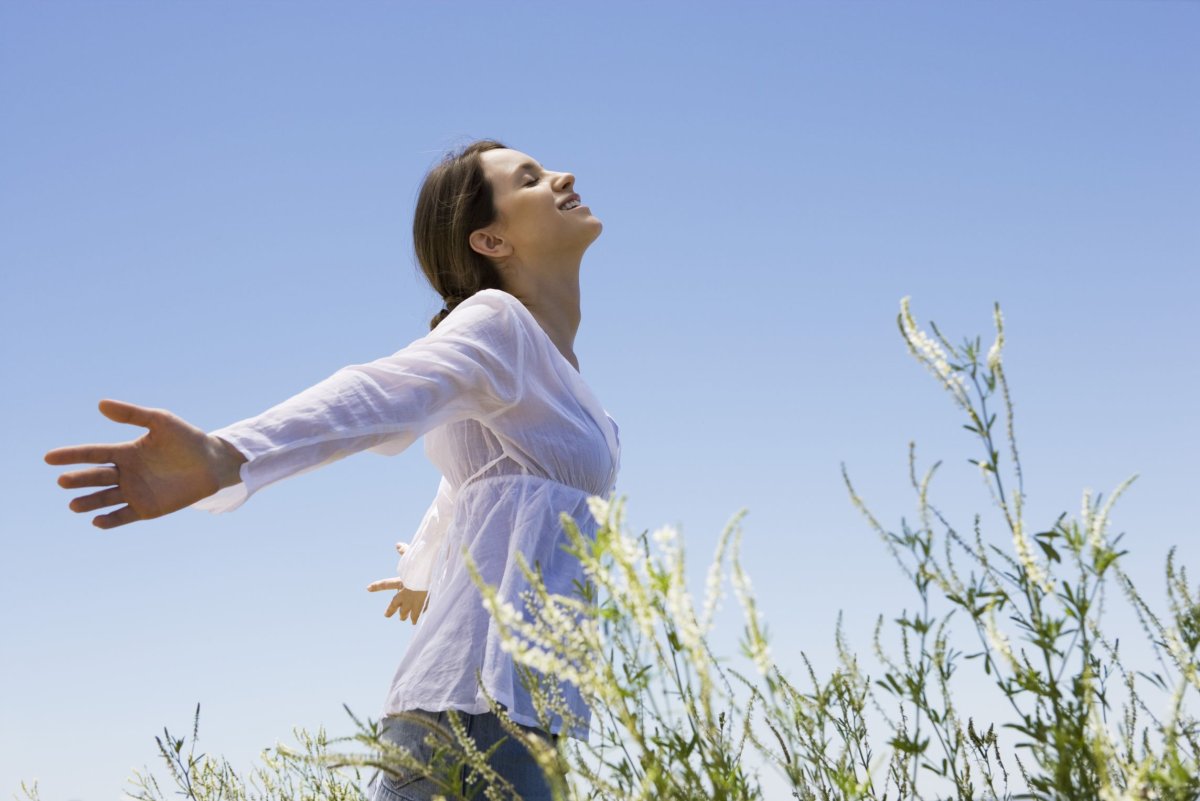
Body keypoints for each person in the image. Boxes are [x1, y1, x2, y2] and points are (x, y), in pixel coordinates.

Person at [44, 139, 620, 801]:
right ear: (489, 239)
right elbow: (378, 391)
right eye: (531, 178)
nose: (561, 175)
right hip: (475, 707)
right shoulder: (498, 324)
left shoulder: (559, 377)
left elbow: (469, 478)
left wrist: (423, 568)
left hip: (515, 705)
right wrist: (231, 455)